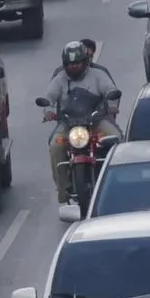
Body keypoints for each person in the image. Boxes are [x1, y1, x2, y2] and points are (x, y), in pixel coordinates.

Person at [42, 41, 120, 200]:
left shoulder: (98, 75)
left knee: (117, 139)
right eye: (70, 64)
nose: (74, 67)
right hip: (68, 125)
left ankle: (117, 182)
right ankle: (63, 189)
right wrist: (48, 111)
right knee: (55, 146)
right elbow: (48, 98)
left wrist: (112, 106)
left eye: (78, 63)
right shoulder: (60, 78)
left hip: (96, 122)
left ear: (86, 62)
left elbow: (111, 91)